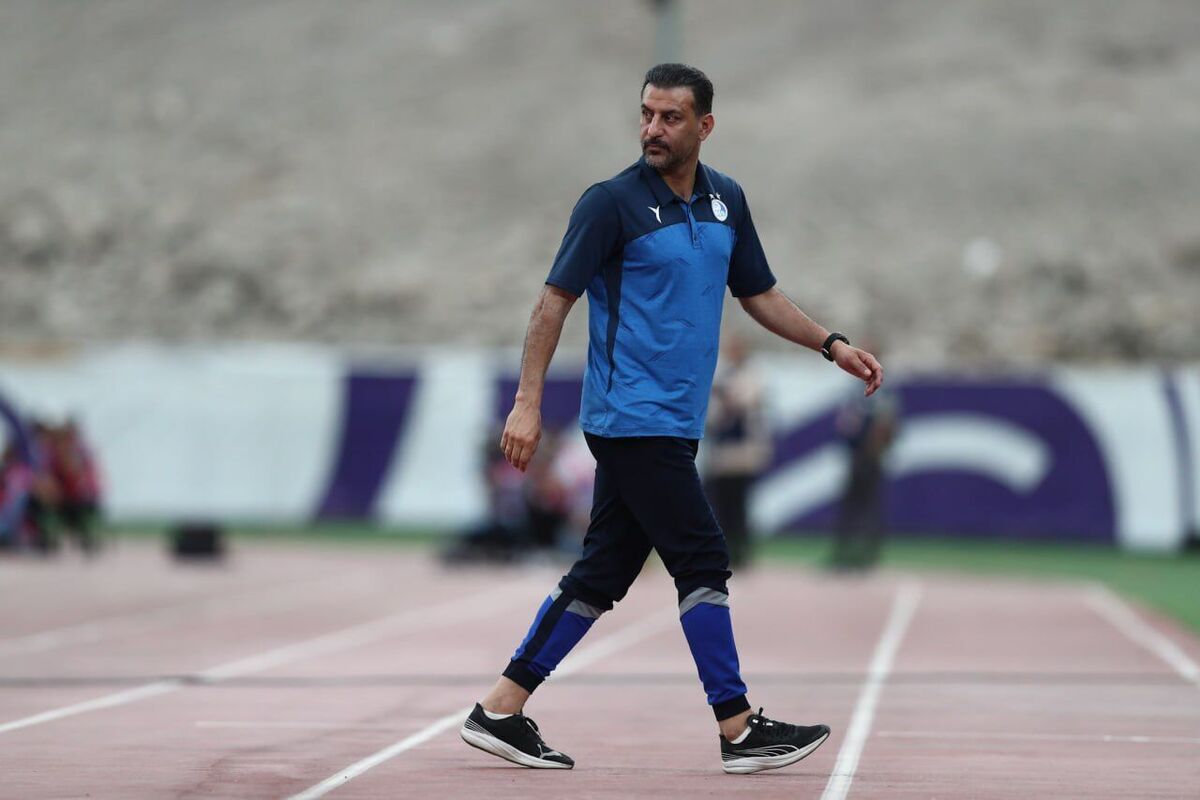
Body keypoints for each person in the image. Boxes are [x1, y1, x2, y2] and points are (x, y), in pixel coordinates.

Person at [460, 63, 883, 774]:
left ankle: (499, 709)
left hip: (676, 421)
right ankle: (738, 726)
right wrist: (527, 402)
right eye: (646, 114)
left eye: (670, 117)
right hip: (629, 416)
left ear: (705, 126)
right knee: (702, 557)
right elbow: (553, 302)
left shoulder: (727, 201)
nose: (652, 128)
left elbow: (759, 293)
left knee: (603, 574)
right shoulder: (609, 204)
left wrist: (831, 345)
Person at [704, 332, 772, 569]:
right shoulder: (723, 375)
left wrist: (726, 395)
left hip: (743, 453)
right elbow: (712, 415)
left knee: (740, 505)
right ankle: (725, 551)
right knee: (721, 506)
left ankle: (742, 552)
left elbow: (747, 403)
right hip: (723, 452)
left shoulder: (751, 375)